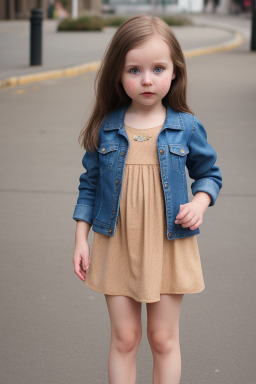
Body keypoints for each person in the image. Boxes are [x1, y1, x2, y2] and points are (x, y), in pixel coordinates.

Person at [72, 15, 222, 384]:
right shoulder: (106, 127)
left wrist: (199, 203)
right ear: (119, 75)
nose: (147, 79)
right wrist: (80, 238)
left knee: (162, 338)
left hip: (167, 244)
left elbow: (209, 175)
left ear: (175, 72)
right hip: (115, 243)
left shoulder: (186, 126)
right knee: (125, 338)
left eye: (158, 68)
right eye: (134, 70)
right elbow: (89, 186)